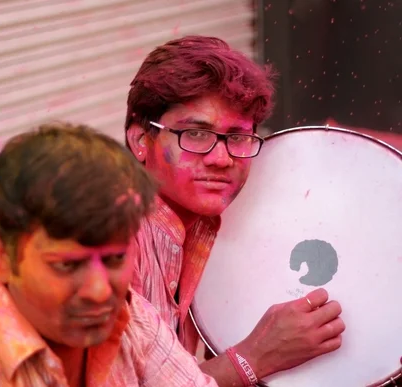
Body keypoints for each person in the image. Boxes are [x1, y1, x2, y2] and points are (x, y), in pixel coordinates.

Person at [0, 122, 218, 387]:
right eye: (68, 265)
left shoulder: (129, 315)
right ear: (3, 258)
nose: (100, 290)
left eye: (114, 259)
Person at [125, 36, 346, 386]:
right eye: (196, 133)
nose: (221, 159)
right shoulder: (108, 241)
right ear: (141, 140)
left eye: (238, 136)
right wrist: (255, 357)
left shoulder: (201, 224)